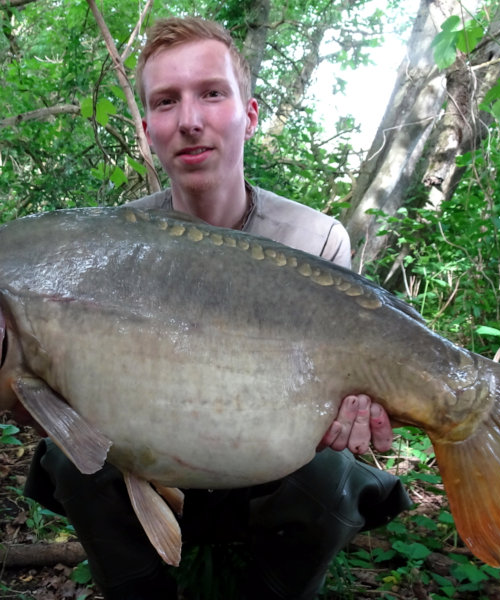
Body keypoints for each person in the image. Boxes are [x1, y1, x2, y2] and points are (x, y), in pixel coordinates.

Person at [24, 17, 411, 599]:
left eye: (211, 93)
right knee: (68, 458)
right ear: (148, 129)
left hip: (265, 475)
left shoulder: (314, 238)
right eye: (165, 102)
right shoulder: (118, 245)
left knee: (334, 475)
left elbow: (346, 380)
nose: (190, 120)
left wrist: (358, 406)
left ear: (249, 115)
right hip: (152, 464)